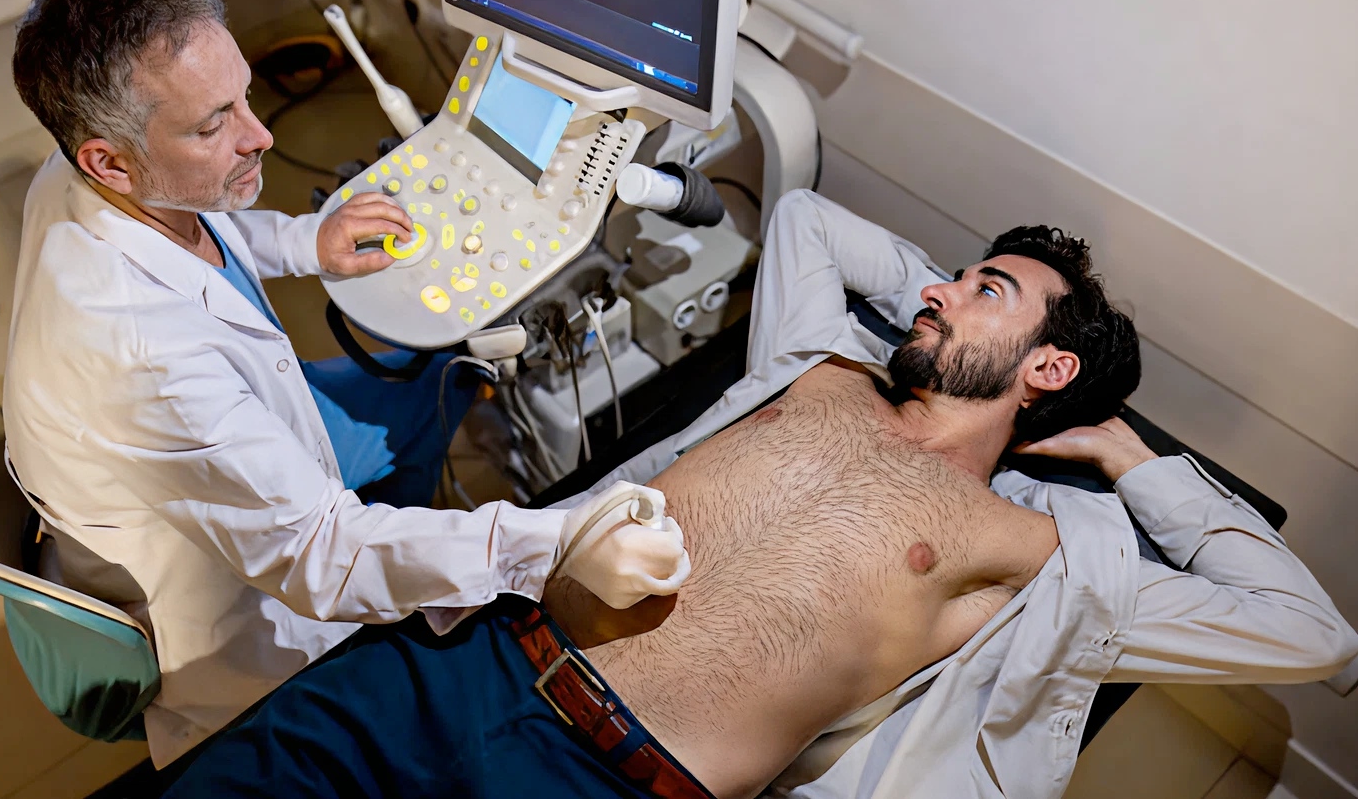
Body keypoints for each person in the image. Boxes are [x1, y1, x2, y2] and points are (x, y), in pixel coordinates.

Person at [165, 190, 1358, 799]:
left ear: (1050, 368)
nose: (934, 292)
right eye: (942, 278)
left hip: (602, 782)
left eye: (984, 287)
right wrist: (948, 301)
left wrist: (1128, 455)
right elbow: (806, 220)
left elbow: (1312, 635)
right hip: (457, 653)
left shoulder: (1033, 550)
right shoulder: (820, 366)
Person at [1, 0, 691, 767]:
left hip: (211, 448)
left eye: (244, 97)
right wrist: (559, 541)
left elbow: (190, 229)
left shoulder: (86, 173)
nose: (259, 135)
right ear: (107, 161)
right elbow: (322, 557)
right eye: (211, 125)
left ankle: (419, 509)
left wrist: (305, 241)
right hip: (226, 607)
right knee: (446, 403)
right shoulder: (139, 351)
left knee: (439, 376)